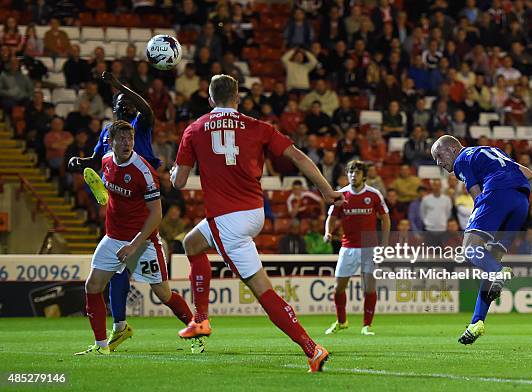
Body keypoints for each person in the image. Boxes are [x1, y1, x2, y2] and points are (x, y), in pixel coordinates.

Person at [171, 74, 343, 372]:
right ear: (238, 98)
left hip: (227, 219)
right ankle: (202, 320)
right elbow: (299, 157)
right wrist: (326, 190)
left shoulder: (194, 129)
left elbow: (180, 182)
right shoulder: (258, 127)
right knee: (192, 243)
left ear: (210, 100)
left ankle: (202, 322)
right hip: (254, 213)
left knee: (262, 291)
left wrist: (173, 173)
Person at [74, 121, 193, 355]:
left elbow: (157, 215)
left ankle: (196, 330)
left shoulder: (144, 171)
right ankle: (101, 347)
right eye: (122, 139)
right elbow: (111, 191)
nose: (128, 143)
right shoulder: (106, 160)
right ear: (111, 142)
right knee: (92, 286)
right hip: (113, 237)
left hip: (143, 241)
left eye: (130, 138)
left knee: (163, 294)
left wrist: (133, 245)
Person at [67, 71, 162, 353]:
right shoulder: (108, 134)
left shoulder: (138, 127)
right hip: (119, 208)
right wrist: (79, 160)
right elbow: (97, 160)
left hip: (144, 196)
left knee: (161, 291)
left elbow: (146, 109)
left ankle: (194, 328)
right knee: (113, 276)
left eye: (127, 105)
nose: (124, 108)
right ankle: (116, 331)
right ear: (114, 108)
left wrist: (120, 86)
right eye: (120, 104)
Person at [431, 135, 532, 345]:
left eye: (439, 156)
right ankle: (476, 322)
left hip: (498, 193)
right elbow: (528, 173)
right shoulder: (490, 151)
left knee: (469, 249)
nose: (439, 163)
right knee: (490, 262)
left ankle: (499, 272)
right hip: (522, 202)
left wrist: (480, 219)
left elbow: (477, 196)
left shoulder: (462, 159)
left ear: (452, 149)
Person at [323, 160, 390, 336]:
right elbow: (331, 217)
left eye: (357, 172)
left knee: (369, 288)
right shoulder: (342, 195)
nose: (353, 175)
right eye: (351, 172)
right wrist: (328, 233)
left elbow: (385, 218)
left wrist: (384, 243)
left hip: (370, 248)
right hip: (348, 247)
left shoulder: (374, 195)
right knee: (338, 288)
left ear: (364, 175)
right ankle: (341, 321)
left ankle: (367, 325)